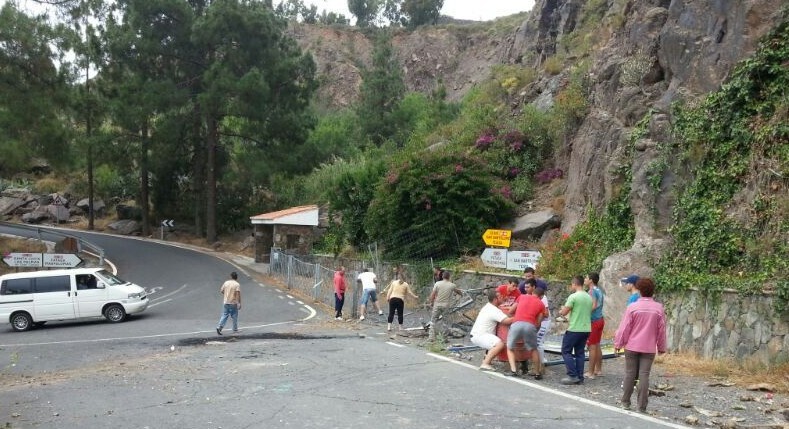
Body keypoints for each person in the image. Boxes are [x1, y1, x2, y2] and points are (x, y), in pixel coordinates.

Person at [614, 277, 667, 412]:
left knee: (629, 374)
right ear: (652, 291)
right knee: (644, 375)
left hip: (632, 346)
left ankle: (625, 402)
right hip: (649, 348)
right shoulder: (658, 308)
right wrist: (661, 347)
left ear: (639, 290)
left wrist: (618, 344)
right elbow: (661, 330)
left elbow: (624, 328)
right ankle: (641, 406)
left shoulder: (633, 307)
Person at [506, 282, 547, 379]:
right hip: (530, 326)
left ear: (533, 292)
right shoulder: (541, 304)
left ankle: (513, 370)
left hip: (516, 323)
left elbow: (511, 311)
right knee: (533, 349)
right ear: (541, 296)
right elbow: (538, 323)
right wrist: (534, 331)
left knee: (510, 347)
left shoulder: (522, 297)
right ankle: (537, 373)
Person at [558, 275, 593, 384]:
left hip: (574, 328)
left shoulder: (573, 297)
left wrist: (561, 311)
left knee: (566, 351)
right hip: (586, 328)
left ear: (574, 284)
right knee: (580, 353)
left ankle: (572, 375)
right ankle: (580, 377)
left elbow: (564, 312)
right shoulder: (588, 297)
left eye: (572, 284)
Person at [470, 289, 514, 370]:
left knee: (493, 341)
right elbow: (507, 321)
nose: (502, 298)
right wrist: (521, 316)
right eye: (500, 297)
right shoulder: (493, 310)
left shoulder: (488, 306)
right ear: (495, 299)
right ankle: (485, 363)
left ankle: (487, 360)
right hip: (480, 335)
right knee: (499, 344)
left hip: (477, 334)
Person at [428, 270, 462, 341]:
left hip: (437, 304)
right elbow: (458, 291)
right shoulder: (452, 285)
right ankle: (444, 338)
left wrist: (431, 302)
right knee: (445, 322)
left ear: (442, 276)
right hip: (446, 306)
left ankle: (431, 337)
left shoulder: (437, 284)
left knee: (433, 321)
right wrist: (461, 293)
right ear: (449, 277)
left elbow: (433, 294)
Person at [585, 272, 605, 379]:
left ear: (591, 280)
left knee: (592, 346)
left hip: (594, 321)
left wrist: (584, 313)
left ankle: (590, 372)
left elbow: (593, 305)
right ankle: (599, 370)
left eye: (586, 278)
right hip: (600, 319)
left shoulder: (592, 291)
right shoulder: (599, 290)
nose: (585, 279)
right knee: (597, 345)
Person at [533, 285, 551, 374]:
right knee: (535, 343)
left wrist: (538, 313)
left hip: (544, 322)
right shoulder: (533, 297)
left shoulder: (543, 299)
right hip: (538, 322)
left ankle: (541, 365)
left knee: (538, 343)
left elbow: (546, 314)